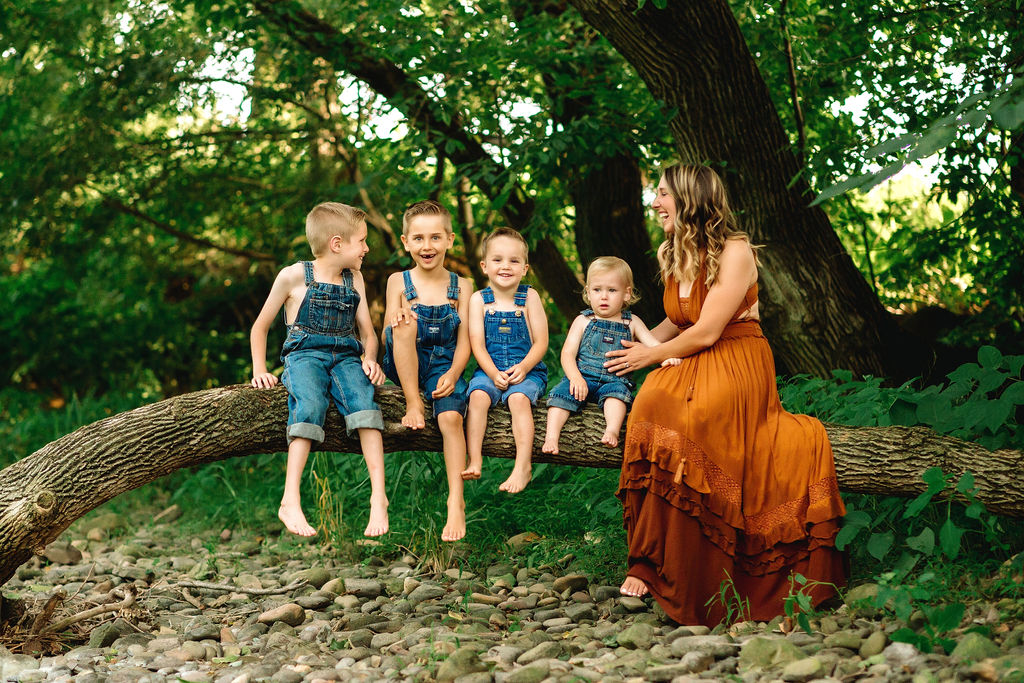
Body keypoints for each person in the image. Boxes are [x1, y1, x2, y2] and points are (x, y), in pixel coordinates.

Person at [605, 164, 846, 626]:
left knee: (698, 417)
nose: (654, 204)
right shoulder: (672, 251)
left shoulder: (735, 251)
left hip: (736, 355)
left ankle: (714, 567)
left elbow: (709, 329)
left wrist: (649, 358)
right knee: (652, 405)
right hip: (691, 353)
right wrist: (627, 348)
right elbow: (678, 322)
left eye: (662, 195)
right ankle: (653, 560)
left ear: (690, 199)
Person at [250, 202, 388, 538]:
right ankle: (290, 499)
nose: (367, 248)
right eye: (362, 241)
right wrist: (259, 369)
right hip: (304, 357)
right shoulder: (294, 276)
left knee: (365, 404)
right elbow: (260, 327)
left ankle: (378, 497)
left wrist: (370, 358)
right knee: (310, 405)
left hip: (346, 357)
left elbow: (368, 333)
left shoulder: (353, 278)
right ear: (337, 244)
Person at [381, 200, 474, 542]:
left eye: (435, 237)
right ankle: (414, 404)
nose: (427, 246)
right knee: (402, 326)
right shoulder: (398, 281)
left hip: (444, 366)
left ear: (450, 239)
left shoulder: (462, 286)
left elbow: (467, 339)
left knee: (450, 419)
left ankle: (456, 500)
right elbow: (385, 334)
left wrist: (454, 373)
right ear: (406, 242)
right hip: (404, 362)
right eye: (418, 238)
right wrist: (398, 321)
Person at [541, 256, 679, 455]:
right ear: (588, 292)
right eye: (597, 290)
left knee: (617, 397)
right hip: (583, 377)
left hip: (614, 380)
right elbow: (567, 353)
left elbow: (652, 345)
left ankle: (612, 430)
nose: (603, 297)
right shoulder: (583, 320)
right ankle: (551, 437)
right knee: (560, 397)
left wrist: (665, 357)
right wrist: (575, 378)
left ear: (626, 294)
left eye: (612, 290)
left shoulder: (632, 322)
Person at [465, 228, 549, 493]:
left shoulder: (529, 298)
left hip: (528, 370)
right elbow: (477, 345)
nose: (505, 266)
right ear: (485, 266)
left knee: (517, 399)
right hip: (489, 370)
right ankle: (475, 459)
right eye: (498, 259)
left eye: (514, 261)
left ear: (525, 268)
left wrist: (524, 368)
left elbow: (541, 343)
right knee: (477, 397)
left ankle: (523, 465)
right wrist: (491, 373)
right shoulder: (478, 300)